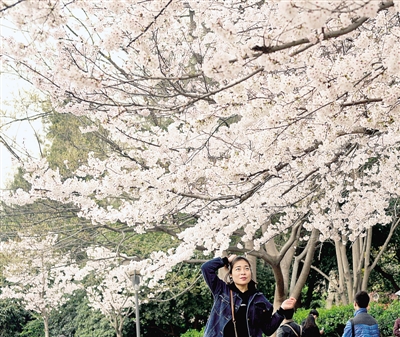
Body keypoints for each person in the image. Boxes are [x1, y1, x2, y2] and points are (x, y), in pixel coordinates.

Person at [201, 254, 297, 337]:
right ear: (230, 274)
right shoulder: (222, 290)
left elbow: (268, 329)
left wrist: (282, 310)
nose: (243, 272)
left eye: (246, 268)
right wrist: (226, 260)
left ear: (250, 272)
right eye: (238, 269)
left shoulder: (259, 299)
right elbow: (206, 268)